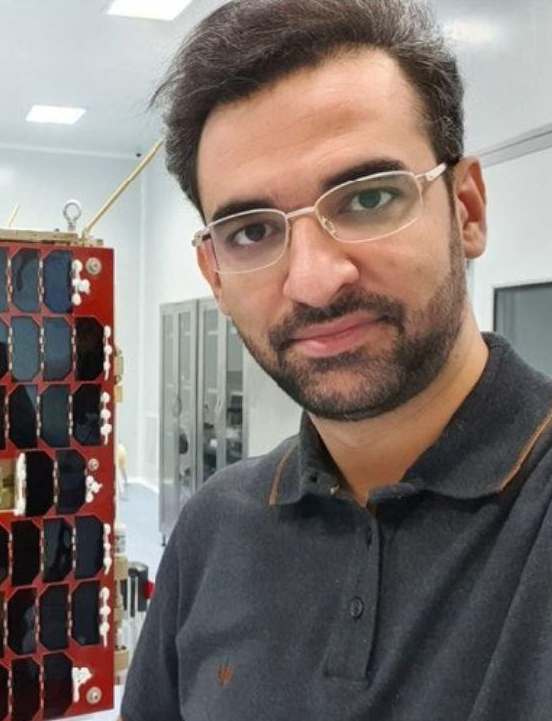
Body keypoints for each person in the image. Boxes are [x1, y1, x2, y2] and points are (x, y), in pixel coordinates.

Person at [120, 0, 552, 719]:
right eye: (251, 231)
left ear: (466, 210)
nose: (315, 281)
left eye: (369, 197)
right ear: (215, 276)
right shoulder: (213, 528)